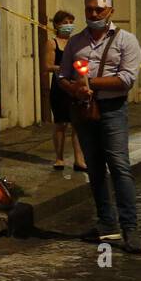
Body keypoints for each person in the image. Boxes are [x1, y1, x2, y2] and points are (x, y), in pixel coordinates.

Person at [57, 0, 141, 254]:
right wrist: (74, 89)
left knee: (119, 167)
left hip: (113, 109)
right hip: (83, 109)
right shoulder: (75, 42)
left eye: (99, 10)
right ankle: (107, 224)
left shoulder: (126, 41)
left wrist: (90, 83)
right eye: (89, 9)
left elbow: (127, 78)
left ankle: (130, 229)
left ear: (110, 11)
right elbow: (62, 76)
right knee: (94, 169)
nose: (93, 14)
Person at [44, 9, 86, 173]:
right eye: (64, 23)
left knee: (77, 124)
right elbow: (47, 66)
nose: (68, 26)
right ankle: (59, 158)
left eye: (70, 22)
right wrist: (64, 68)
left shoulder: (77, 42)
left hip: (76, 85)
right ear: (56, 25)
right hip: (60, 86)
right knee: (61, 123)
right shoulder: (52, 43)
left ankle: (79, 159)